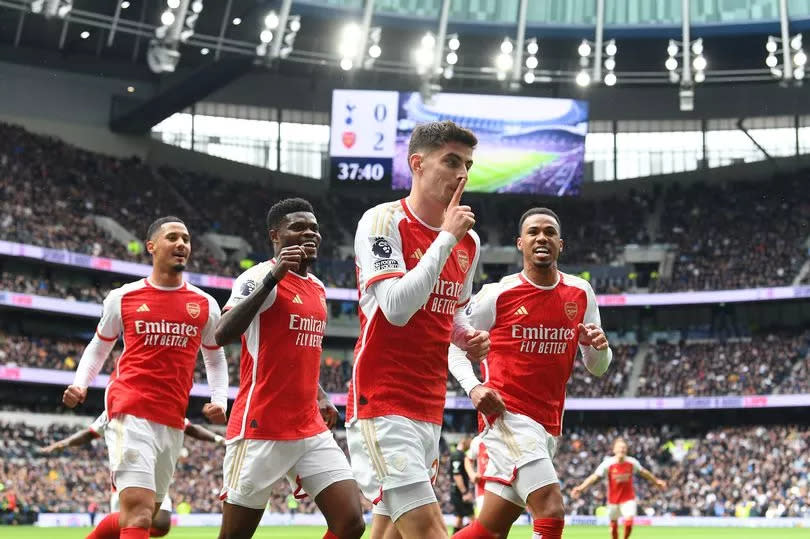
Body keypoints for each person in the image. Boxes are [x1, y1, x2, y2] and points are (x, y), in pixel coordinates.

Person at [346, 120, 489, 539]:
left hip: (429, 403)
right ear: (418, 164)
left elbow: (451, 315)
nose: (462, 174)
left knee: (388, 531)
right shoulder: (381, 221)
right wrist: (444, 238)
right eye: (450, 161)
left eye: (467, 164)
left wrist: (468, 338)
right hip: (382, 398)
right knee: (429, 530)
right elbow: (394, 308)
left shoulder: (470, 243)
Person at [448, 207, 614, 539]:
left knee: (490, 528)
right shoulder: (497, 294)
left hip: (549, 424)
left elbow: (598, 367)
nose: (542, 237)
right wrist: (473, 388)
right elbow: (454, 345)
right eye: (534, 232)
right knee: (551, 510)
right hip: (507, 415)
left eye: (550, 232)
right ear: (520, 243)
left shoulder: (581, 293)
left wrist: (599, 347)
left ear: (561, 244)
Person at [62, 216, 228, 539]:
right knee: (138, 514)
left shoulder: (205, 305)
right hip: (129, 408)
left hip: (172, 417)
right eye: (173, 238)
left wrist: (218, 399)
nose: (181, 244)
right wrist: (80, 384)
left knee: (153, 520)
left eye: (186, 239)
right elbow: (99, 348)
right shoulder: (123, 298)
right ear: (151, 247)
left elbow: (215, 357)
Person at [215, 198, 364, 539]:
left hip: (308, 427)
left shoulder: (318, 288)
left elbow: (302, 351)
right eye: (298, 227)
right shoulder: (256, 277)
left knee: (350, 523)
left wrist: (322, 395)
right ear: (275, 236)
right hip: (260, 426)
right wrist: (273, 278)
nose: (309, 233)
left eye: (314, 228)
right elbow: (222, 334)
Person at [40, 411, 226, 537]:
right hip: (128, 480)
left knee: (161, 525)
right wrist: (63, 444)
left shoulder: (163, 402)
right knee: (135, 522)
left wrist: (219, 439)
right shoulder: (114, 408)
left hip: (155, 478)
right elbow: (88, 433)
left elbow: (191, 427)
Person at [572, 438, 667, 539]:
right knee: (613, 527)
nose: (622, 450)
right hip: (613, 500)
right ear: (614, 450)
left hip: (628, 499)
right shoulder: (608, 464)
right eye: (619, 448)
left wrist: (656, 482)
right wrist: (581, 488)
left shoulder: (632, 462)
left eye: (624, 448)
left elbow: (644, 473)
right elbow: (594, 476)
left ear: (626, 450)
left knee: (629, 522)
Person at [449, 438, 475, 533]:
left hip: (457, 492)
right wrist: (465, 492)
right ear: (465, 442)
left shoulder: (459, 455)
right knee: (472, 519)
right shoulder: (457, 456)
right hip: (459, 493)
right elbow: (457, 476)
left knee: (459, 519)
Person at [464, 433, 488, 518]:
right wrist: (472, 474)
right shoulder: (479, 440)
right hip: (483, 487)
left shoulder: (505, 437)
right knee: (484, 521)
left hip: (502, 485)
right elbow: (468, 459)